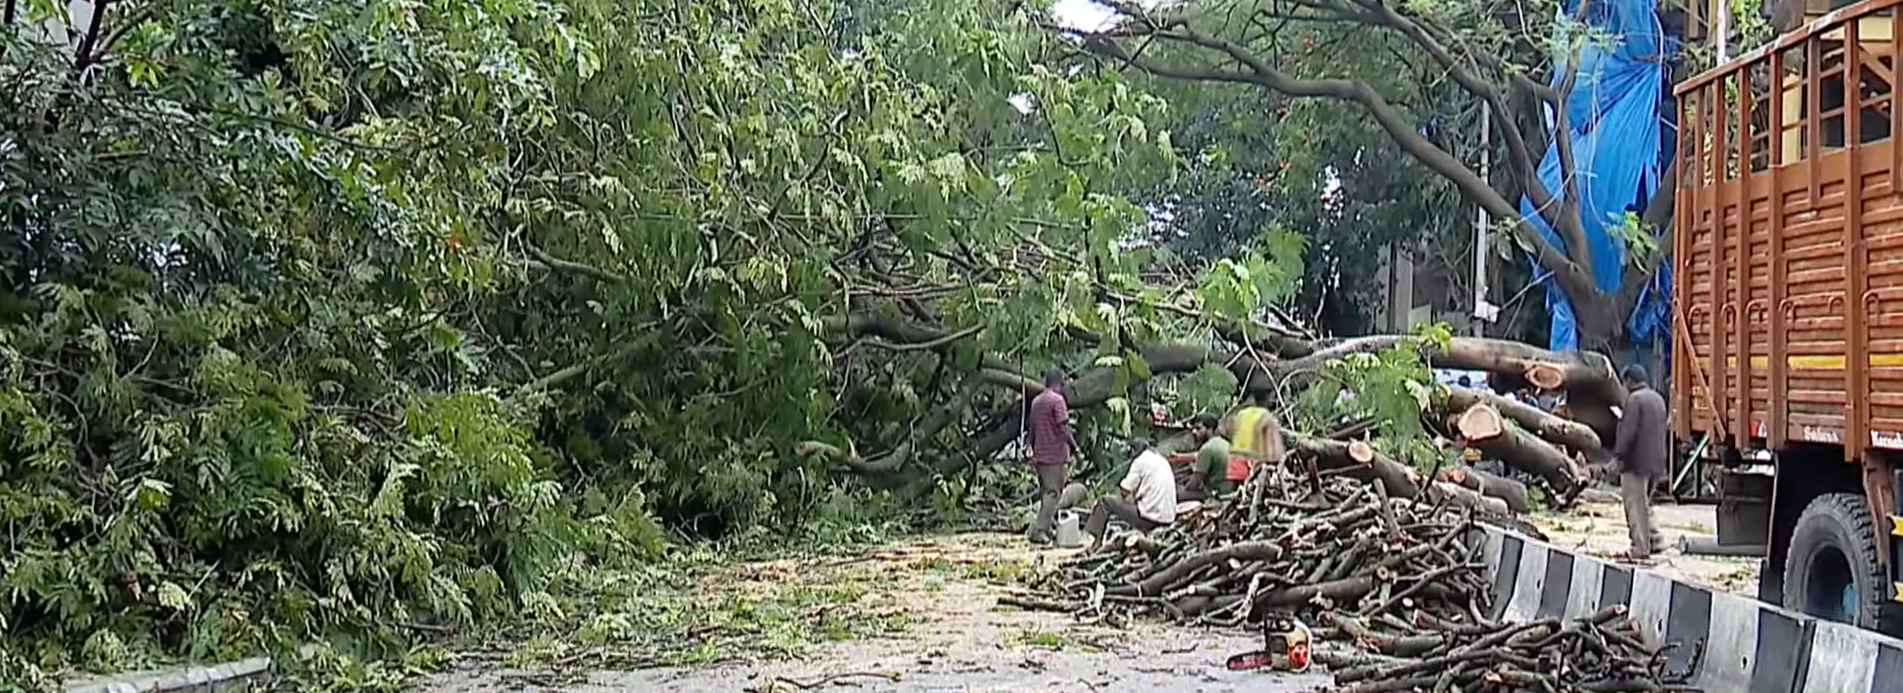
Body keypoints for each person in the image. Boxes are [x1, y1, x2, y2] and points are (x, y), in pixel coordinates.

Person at [1612, 364, 1669, 560]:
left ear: (1630, 381)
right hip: (1656, 462)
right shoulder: (1658, 399)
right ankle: (1656, 540)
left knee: (1634, 505)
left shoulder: (1634, 400)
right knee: (1645, 504)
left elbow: (1628, 433)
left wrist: (1618, 456)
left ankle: (1639, 547)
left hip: (1636, 463)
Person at [1084, 439, 1177, 552]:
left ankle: (1096, 543)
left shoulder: (1140, 462)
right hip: (1168, 518)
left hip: (1149, 518)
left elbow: (1125, 490)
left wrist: (1121, 501)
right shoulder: (1162, 460)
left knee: (1105, 502)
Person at [1028, 367, 1078, 545]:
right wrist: (1074, 446)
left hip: (1040, 454)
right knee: (1053, 492)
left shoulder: (1036, 401)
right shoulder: (1057, 401)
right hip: (1054, 456)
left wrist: (1030, 448)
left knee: (1045, 493)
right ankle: (1040, 530)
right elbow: (1063, 427)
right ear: (1060, 382)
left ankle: (1046, 528)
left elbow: (1032, 429)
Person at [1168, 414, 1233, 500]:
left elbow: (1195, 482)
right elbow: (1198, 455)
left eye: (1198, 428)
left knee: (1174, 493)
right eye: (1193, 429)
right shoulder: (1224, 444)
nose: (1194, 432)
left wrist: (1184, 489)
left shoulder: (1207, 448)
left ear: (1210, 429)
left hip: (1214, 492)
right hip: (1228, 490)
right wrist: (1179, 457)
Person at [1229, 394, 1286, 471]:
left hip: (1234, 465)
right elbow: (1276, 454)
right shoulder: (1266, 417)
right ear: (1268, 398)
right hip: (1254, 468)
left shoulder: (1242, 414)